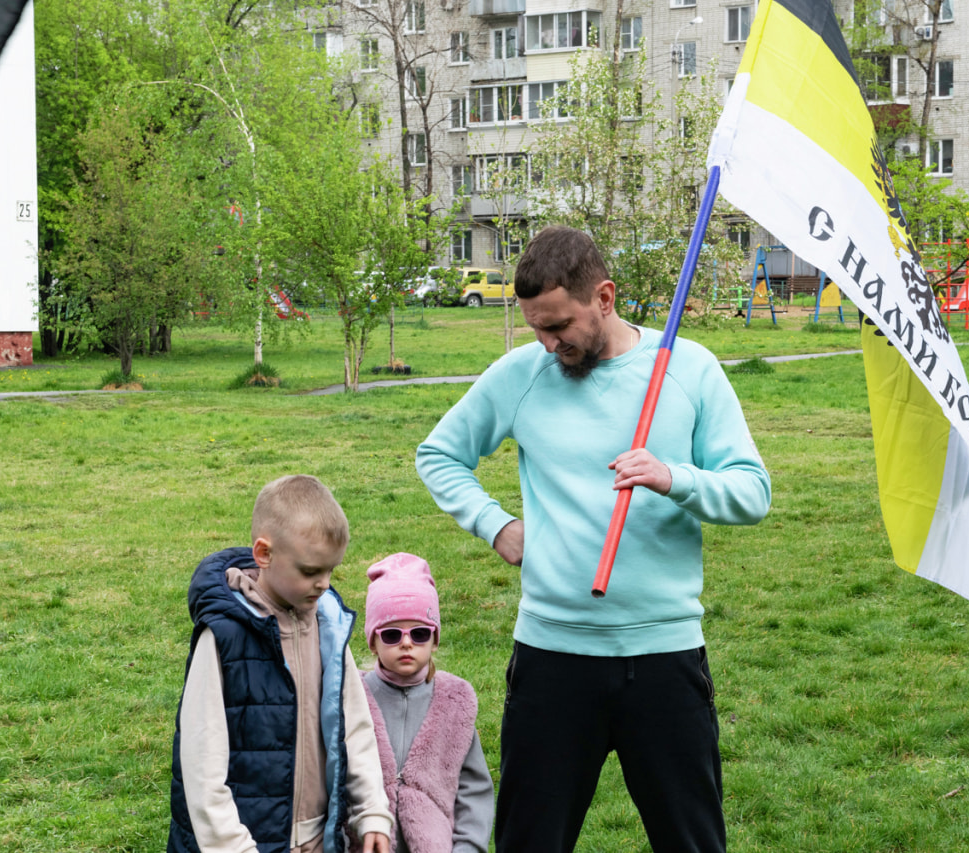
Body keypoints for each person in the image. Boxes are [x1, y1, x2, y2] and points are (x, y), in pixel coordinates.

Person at [415, 226, 771, 853]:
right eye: (536, 329)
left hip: (664, 657)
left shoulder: (687, 369)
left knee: (693, 843)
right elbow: (439, 454)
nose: (549, 344)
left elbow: (752, 493)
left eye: (560, 326)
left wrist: (673, 478)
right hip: (552, 656)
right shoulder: (522, 375)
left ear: (604, 298)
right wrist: (496, 525)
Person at [167, 474, 393, 853]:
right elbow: (201, 761)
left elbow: (355, 727)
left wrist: (371, 809)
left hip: (318, 839)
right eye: (310, 571)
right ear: (264, 554)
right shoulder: (223, 637)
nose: (323, 584)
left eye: (331, 570)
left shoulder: (329, 626)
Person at [357, 553, 494, 853]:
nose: (407, 643)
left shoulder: (454, 703)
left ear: (434, 639)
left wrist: (468, 847)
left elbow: (474, 790)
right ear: (373, 640)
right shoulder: (353, 697)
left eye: (419, 633)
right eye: (392, 634)